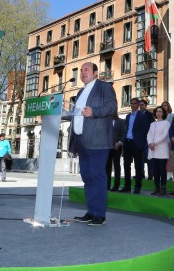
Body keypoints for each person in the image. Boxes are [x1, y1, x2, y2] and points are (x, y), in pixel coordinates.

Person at [69, 62, 117, 226]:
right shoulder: (81, 91)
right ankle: (91, 211)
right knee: (87, 177)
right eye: (81, 70)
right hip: (82, 140)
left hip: (98, 140)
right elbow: (77, 115)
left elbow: (112, 106)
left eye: (86, 70)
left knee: (97, 176)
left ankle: (99, 214)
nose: (82, 73)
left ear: (96, 73)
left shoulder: (104, 87)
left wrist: (94, 112)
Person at [120, 98, 150, 194]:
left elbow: (146, 130)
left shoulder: (142, 116)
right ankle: (127, 186)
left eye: (134, 103)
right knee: (126, 165)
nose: (132, 105)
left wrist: (143, 142)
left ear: (138, 105)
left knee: (138, 166)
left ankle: (137, 187)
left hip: (137, 143)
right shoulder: (128, 116)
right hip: (127, 143)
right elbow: (126, 129)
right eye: (131, 103)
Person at [146, 106, 170, 196]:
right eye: (157, 111)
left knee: (162, 170)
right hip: (153, 149)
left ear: (163, 113)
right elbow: (148, 135)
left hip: (162, 150)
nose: (158, 113)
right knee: (155, 170)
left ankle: (163, 189)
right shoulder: (152, 124)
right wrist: (150, 144)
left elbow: (164, 135)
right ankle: (156, 188)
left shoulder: (166, 123)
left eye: (160, 111)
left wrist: (154, 143)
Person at [106, 112, 125, 191]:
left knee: (117, 166)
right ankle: (107, 185)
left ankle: (116, 186)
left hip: (117, 147)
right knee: (107, 167)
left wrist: (119, 143)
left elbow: (124, 134)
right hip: (107, 147)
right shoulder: (106, 122)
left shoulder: (121, 121)